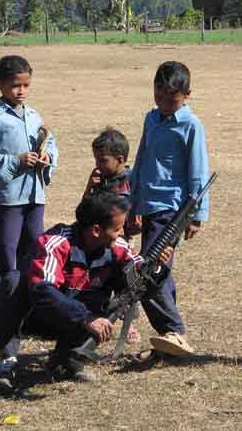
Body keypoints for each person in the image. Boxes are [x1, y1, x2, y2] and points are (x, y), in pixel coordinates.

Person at [0, 192, 172, 387]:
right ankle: (5, 358)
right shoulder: (56, 242)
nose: (121, 234)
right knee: (13, 281)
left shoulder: (118, 247)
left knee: (110, 297)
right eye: (117, 229)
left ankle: (65, 360)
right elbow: (42, 292)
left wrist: (157, 267)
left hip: (75, 318)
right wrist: (86, 318)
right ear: (96, 230)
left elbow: (141, 280)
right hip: (36, 316)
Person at [128, 61, 209, 355]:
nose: (163, 104)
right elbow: (141, 160)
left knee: (148, 272)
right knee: (160, 271)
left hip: (172, 210)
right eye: (158, 97)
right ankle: (170, 343)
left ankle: (173, 332)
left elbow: (198, 171)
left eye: (171, 100)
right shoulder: (151, 119)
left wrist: (197, 215)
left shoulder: (191, 125)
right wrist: (133, 203)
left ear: (187, 95)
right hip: (148, 206)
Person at [0, 55, 58, 321]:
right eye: (14, 85)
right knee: (5, 252)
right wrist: (14, 161)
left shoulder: (34, 116)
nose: (21, 91)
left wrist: (47, 157)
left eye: (26, 85)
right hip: (8, 197)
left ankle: (26, 307)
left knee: (33, 249)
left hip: (35, 194)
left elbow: (50, 143)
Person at [84, 127, 141, 343]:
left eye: (103, 160)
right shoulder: (99, 180)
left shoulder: (131, 179)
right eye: (96, 159)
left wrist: (137, 217)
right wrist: (89, 187)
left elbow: (138, 206)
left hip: (122, 242)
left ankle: (129, 321)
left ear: (120, 159)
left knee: (124, 280)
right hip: (99, 242)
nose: (98, 164)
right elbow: (84, 210)